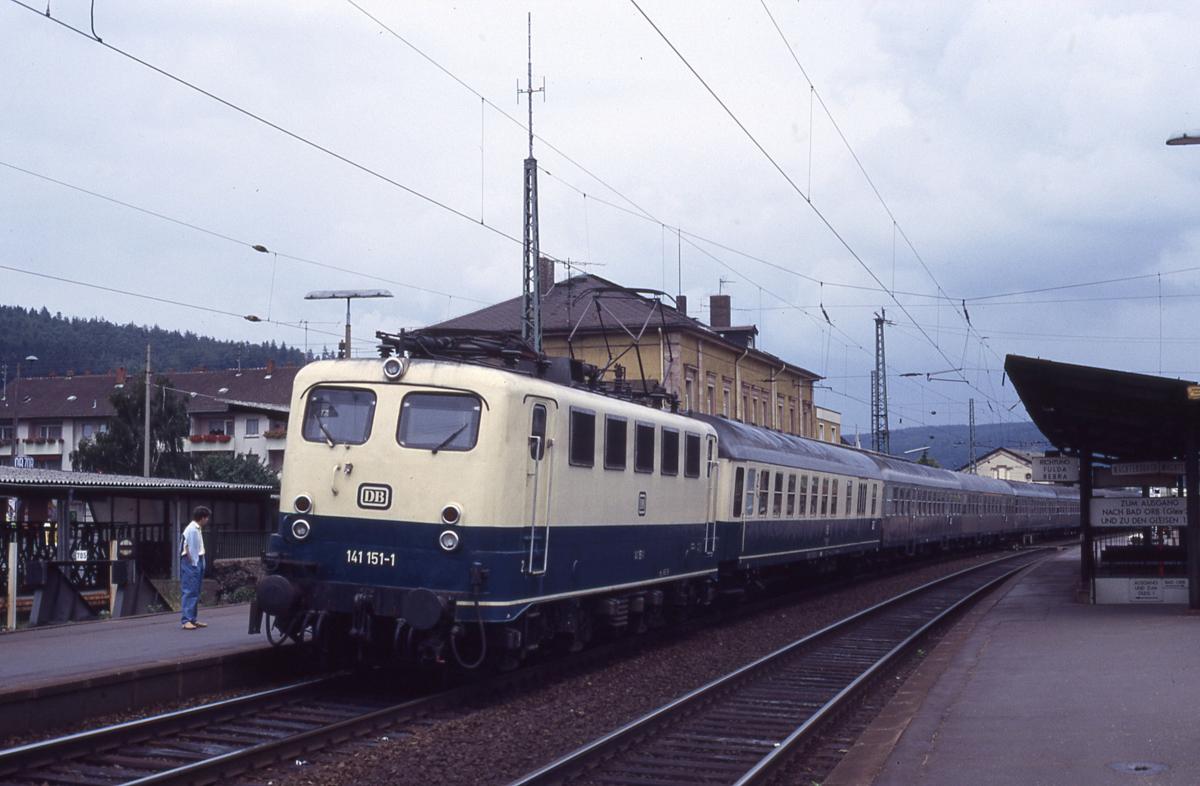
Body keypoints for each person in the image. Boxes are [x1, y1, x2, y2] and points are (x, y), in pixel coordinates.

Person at [180, 506, 210, 630]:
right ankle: (186, 620)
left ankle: (192, 618)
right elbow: (190, 549)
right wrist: (194, 564)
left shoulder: (197, 528)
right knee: (190, 590)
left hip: (198, 559)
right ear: (202, 518)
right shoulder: (192, 529)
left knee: (195, 590)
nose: (207, 520)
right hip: (192, 561)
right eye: (207, 517)